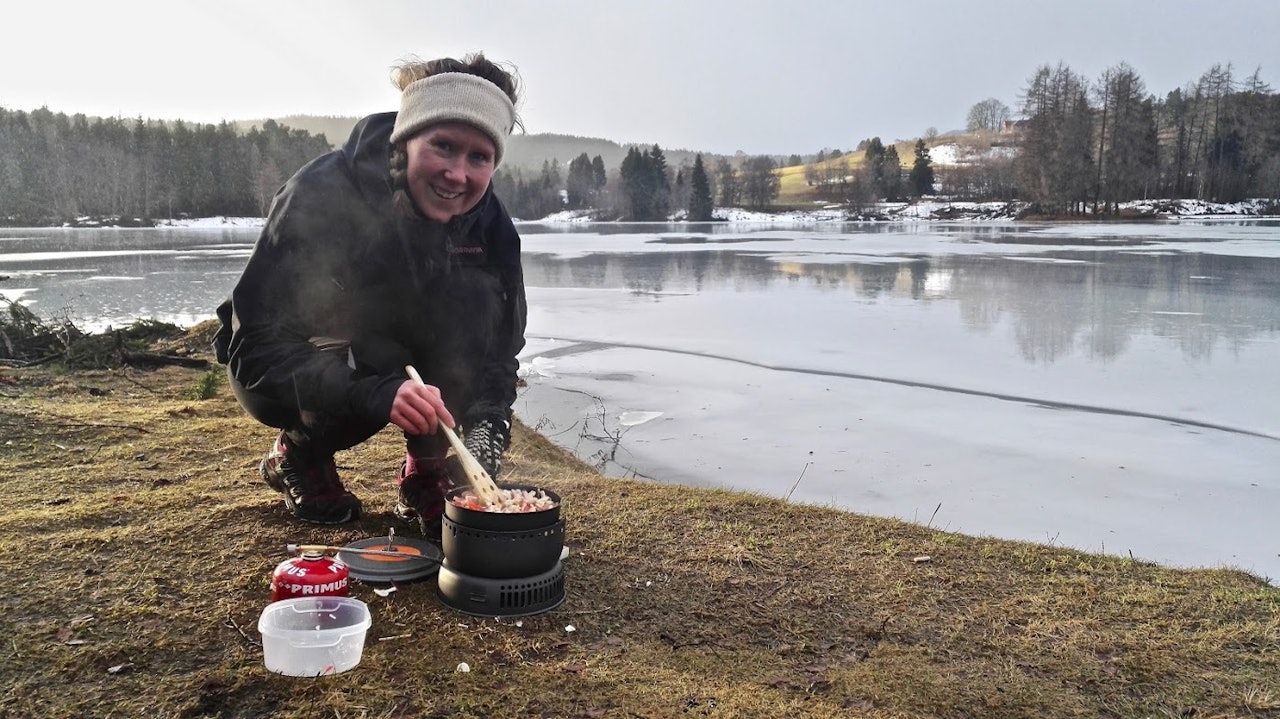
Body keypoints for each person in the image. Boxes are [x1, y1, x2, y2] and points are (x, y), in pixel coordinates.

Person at [212, 53, 527, 536]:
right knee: (369, 365)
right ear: (406, 139)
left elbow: (499, 349)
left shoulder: (491, 226)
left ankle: (425, 472)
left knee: (470, 311)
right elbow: (255, 349)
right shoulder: (322, 194)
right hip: (298, 360)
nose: (457, 174)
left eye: (479, 157)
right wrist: (375, 392)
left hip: (397, 352)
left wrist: (487, 426)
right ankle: (300, 453)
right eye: (443, 146)